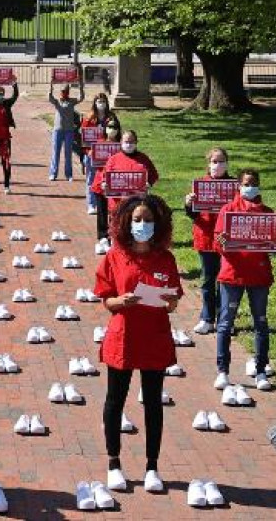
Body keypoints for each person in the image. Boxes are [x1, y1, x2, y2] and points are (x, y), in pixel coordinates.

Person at [92, 194, 182, 494]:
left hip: (154, 336)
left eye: (148, 220)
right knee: (115, 400)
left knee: (153, 402)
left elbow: (173, 303)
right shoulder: (115, 256)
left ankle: (152, 466)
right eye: (137, 219)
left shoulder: (165, 258)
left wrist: (169, 302)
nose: (143, 224)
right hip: (124, 336)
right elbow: (107, 300)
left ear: (158, 224)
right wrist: (121, 300)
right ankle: (114, 463)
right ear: (126, 223)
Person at [213, 168, 276, 392]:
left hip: (258, 276)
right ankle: (223, 371)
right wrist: (222, 241)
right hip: (233, 274)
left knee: (261, 323)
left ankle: (261, 370)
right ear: (239, 186)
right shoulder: (228, 211)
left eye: (254, 183)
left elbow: (272, 249)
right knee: (225, 323)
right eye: (246, 183)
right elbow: (217, 244)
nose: (250, 187)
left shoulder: (267, 213)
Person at [184, 147, 233, 335]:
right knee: (207, 280)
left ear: (227, 163)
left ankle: (224, 319)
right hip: (206, 238)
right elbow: (193, 215)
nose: (217, 165)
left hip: (227, 241)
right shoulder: (201, 185)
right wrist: (189, 203)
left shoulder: (234, 186)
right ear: (208, 164)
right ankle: (206, 318)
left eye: (221, 161)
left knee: (225, 282)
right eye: (214, 161)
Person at [91, 130, 159, 242]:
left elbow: (154, 175)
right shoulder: (113, 159)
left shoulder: (143, 159)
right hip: (117, 205)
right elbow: (105, 177)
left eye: (131, 142)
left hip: (137, 204)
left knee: (134, 236)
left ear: (136, 142)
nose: (129, 144)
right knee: (117, 234)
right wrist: (104, 185)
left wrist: (148, 183)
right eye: (126, 141)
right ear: (121, 142)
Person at [79, 93, 121, 215]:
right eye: (99, 101)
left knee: (108, 179)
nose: (101, 104)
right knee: (91, 179)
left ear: (106, 103)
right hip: (92, 155)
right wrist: (88, 152)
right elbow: (83, 139)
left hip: (108, 154)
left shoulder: (111, 117)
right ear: (95, 103)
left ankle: (108, 205)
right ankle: (91, 204)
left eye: (103, 101)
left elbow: (117, 133)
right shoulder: (89, 118)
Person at [87, 124, 122, 242]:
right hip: (100, 183)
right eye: (109, 127)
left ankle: (113, 235)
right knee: (102, 211)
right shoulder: (100, 143)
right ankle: (102, 237)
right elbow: (93, 159)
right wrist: (92, 154)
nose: (112, 130)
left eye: (114, 127)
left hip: (115, 183)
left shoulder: (121, 145)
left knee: (114, 211)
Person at [47, 81, 85, 181]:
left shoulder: (72, 101)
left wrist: (81, 87)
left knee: (68, 153)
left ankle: (69, 175)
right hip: (58, 130)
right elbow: (50, 98)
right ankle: (53, 173)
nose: (64, 93)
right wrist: (51, 87)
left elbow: (81, 98)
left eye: (66, 91)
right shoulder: (57, 102)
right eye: (63, 91)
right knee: (55, 152)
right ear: (60, 92)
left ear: (68, 92)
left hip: (69, 131)